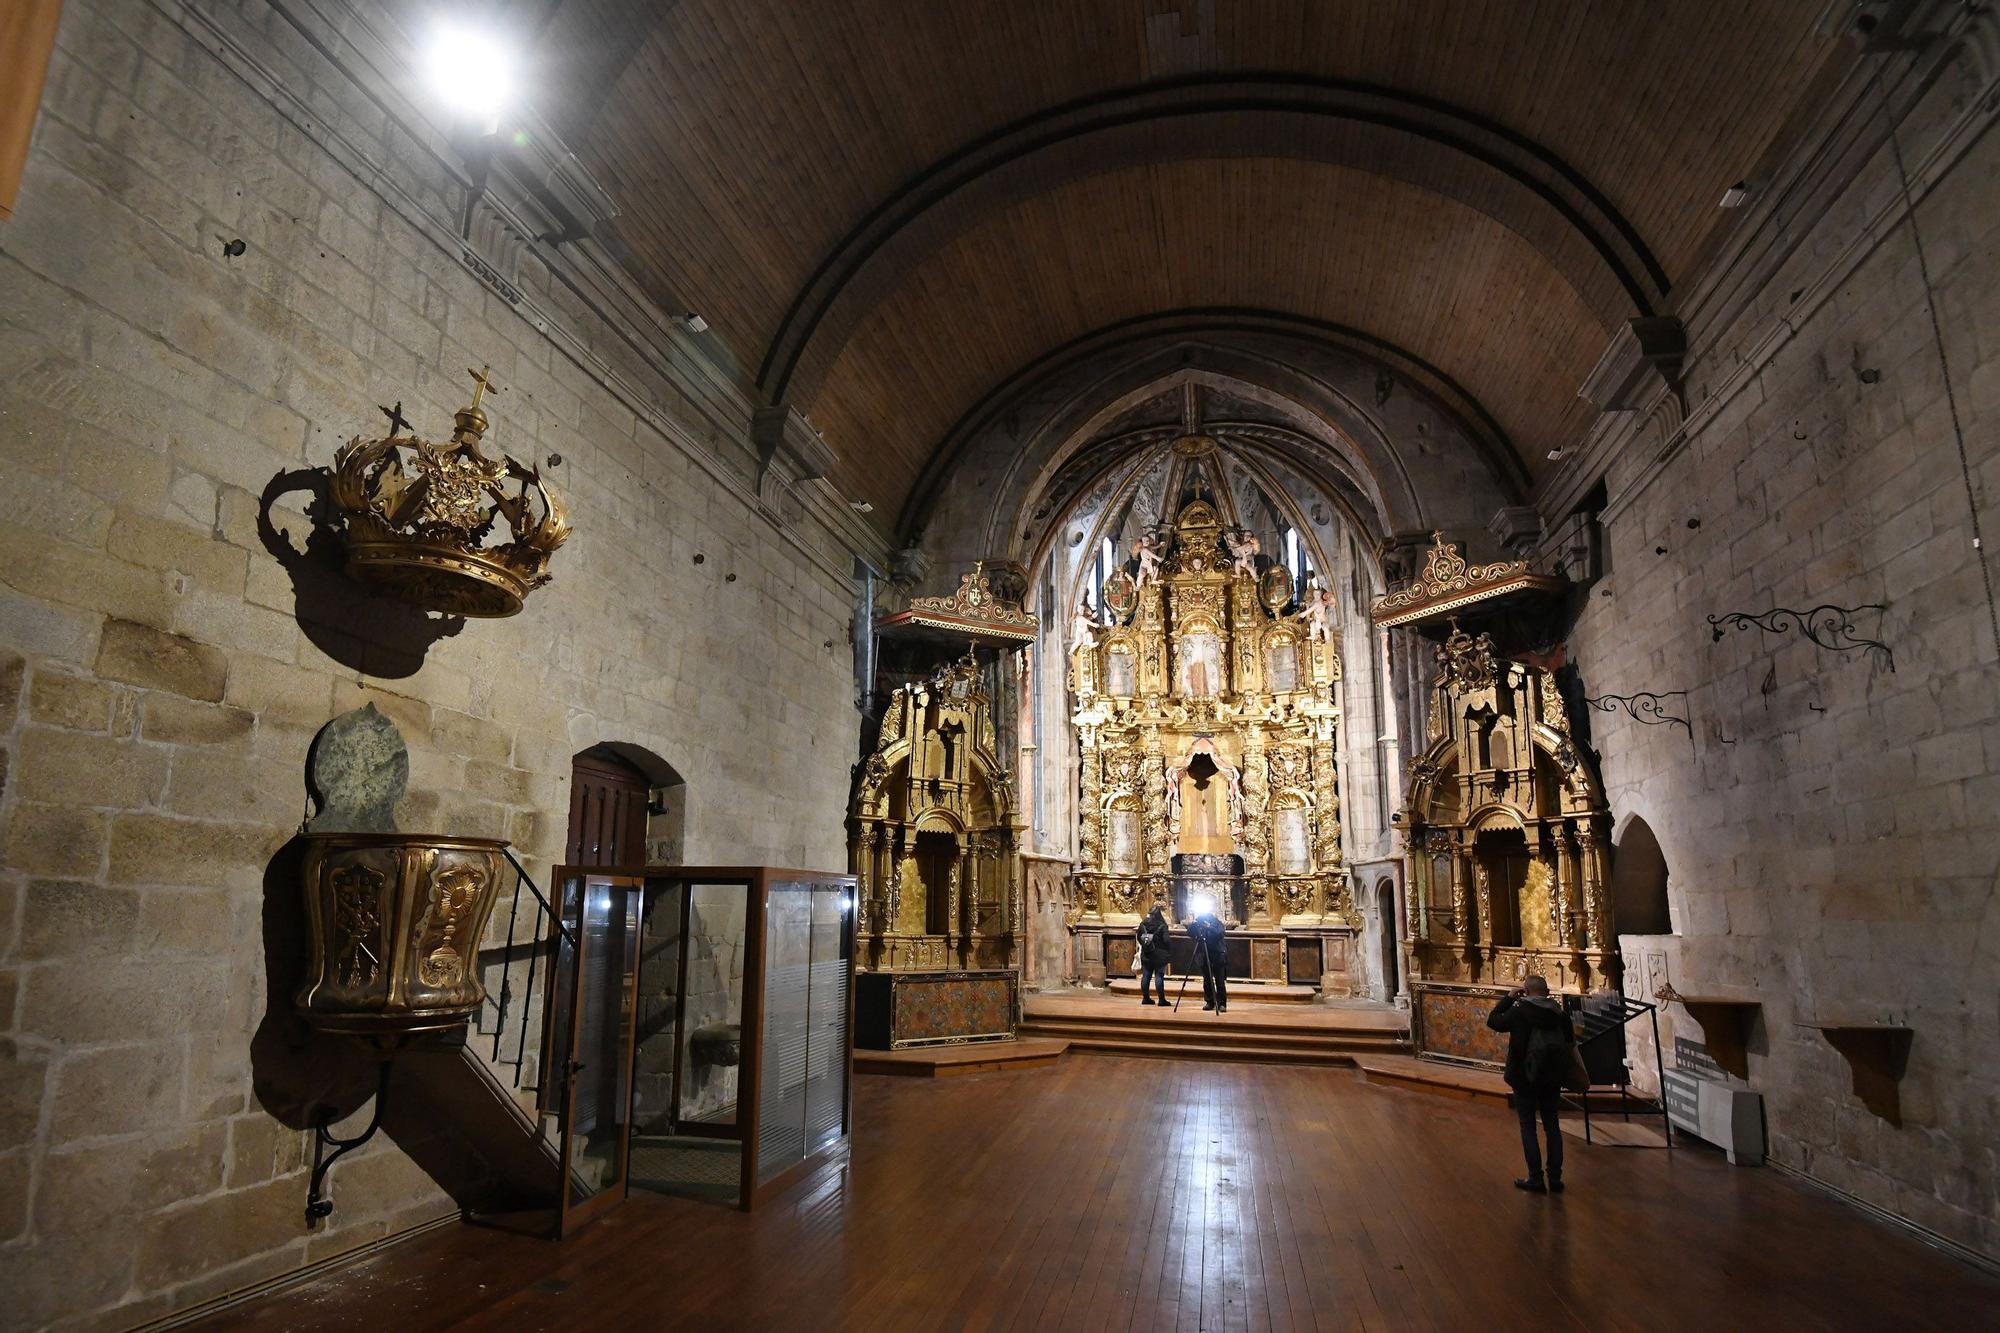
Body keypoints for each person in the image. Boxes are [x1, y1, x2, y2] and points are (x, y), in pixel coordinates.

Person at [1486, 975, 1576, 1193]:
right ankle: (1555, 1178)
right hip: (1552, 1077)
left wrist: (1508, 998)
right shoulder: (1560, 1015)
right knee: (1552, 1126)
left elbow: (1493, 1020)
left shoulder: (1519, 1012)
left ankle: (1535, 1177)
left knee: (1528, 1126)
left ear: (1526, 991)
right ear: (1546, 991)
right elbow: (1570, 1042)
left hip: (1524, 1078)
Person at [1186, 907, 1227, 1012]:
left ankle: (1222, 1003)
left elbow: (1220, 933)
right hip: (1204, 954)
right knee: (1207, 980)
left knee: (1220, 981)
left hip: (1218, 955)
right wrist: (1195, 923)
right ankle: (1210, 1001)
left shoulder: (1217, 923)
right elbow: (1189, 932)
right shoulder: (1199, 923)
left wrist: (1209, 927)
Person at [1135, 905, 1171, 1006]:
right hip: (1159, 954)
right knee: (1159, 976)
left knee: (1146, 976)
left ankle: (1146, 998)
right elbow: (1166, 940)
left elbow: (1139, 937)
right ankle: (1161, 999)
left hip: (1146, 953)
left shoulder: (1143, 924)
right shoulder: (1162, 925)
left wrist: (1146, 945)